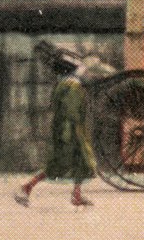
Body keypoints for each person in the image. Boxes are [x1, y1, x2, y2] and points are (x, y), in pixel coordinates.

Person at [15, 55, 112, 208]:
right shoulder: (72, 87)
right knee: (59, 163)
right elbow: (70, 113)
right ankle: (27, 187)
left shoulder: (66, 84)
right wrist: (69, 134)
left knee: (83, 162)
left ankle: (77, 195)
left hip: (72, 130)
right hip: (70, 131)